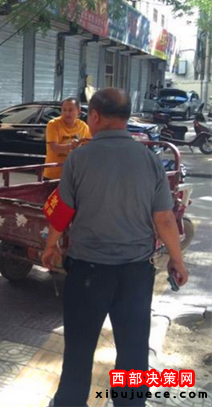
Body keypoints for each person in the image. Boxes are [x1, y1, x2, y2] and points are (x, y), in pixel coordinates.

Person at [41, 88, 189, 407]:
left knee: (79, 347)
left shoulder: (79, 158)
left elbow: (63, 211)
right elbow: (164, 219)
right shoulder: (149, 159)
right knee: (133, 349)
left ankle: (69, 402)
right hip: (136, 272)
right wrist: (177, 260)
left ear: (94, 116)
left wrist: (50, 246)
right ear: (126, 116)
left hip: (87, 271)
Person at [43, 98, 91, 180]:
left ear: (78, 111)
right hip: (54, 174)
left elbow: (89, 145)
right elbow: (54, 147)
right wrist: (71, 146)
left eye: (70, 110)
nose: (67, 113)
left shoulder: (83, 126)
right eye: (64, 110)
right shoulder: (53, 124)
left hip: (74, 174)